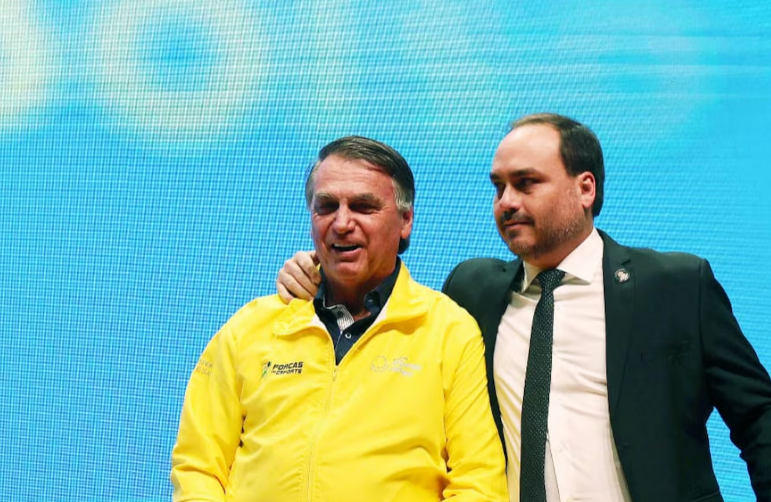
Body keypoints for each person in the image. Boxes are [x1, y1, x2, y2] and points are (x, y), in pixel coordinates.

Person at [275, 115, 771, 502]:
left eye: (526, 183)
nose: (506, 202)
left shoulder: (675, 285)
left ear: (585, 188)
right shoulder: (473, 290)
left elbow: (758, 416)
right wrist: (316, 273)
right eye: (498, 187)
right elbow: (381, 304)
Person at [171, 135, 508, 502]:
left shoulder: (449, 331)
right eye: (327, 206)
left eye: (363, 206)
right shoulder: (251, 326)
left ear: (405, 220)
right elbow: (198, 468)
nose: (342, 223)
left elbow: (478, 484)